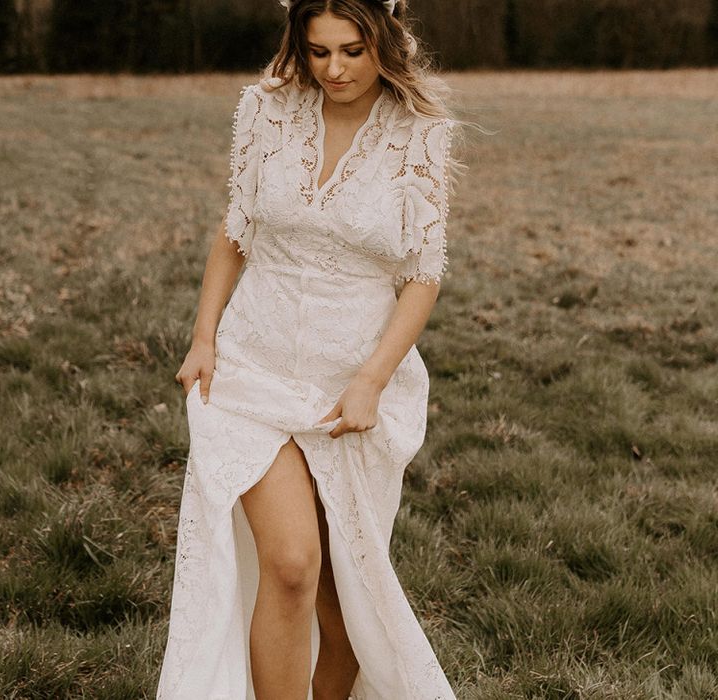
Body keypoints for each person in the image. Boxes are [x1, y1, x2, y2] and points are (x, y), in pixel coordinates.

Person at [156, 0, 462, 698]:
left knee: (346, 602)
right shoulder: (266, 112)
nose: (334, 69)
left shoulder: (421, 135)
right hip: (252, 365)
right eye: (319, 51)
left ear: (384, 39)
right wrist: (204, 338)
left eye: (352, 51)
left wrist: (372, 381)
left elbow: (421, 276)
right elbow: (236, 231)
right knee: (290, 564)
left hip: (349, 387)